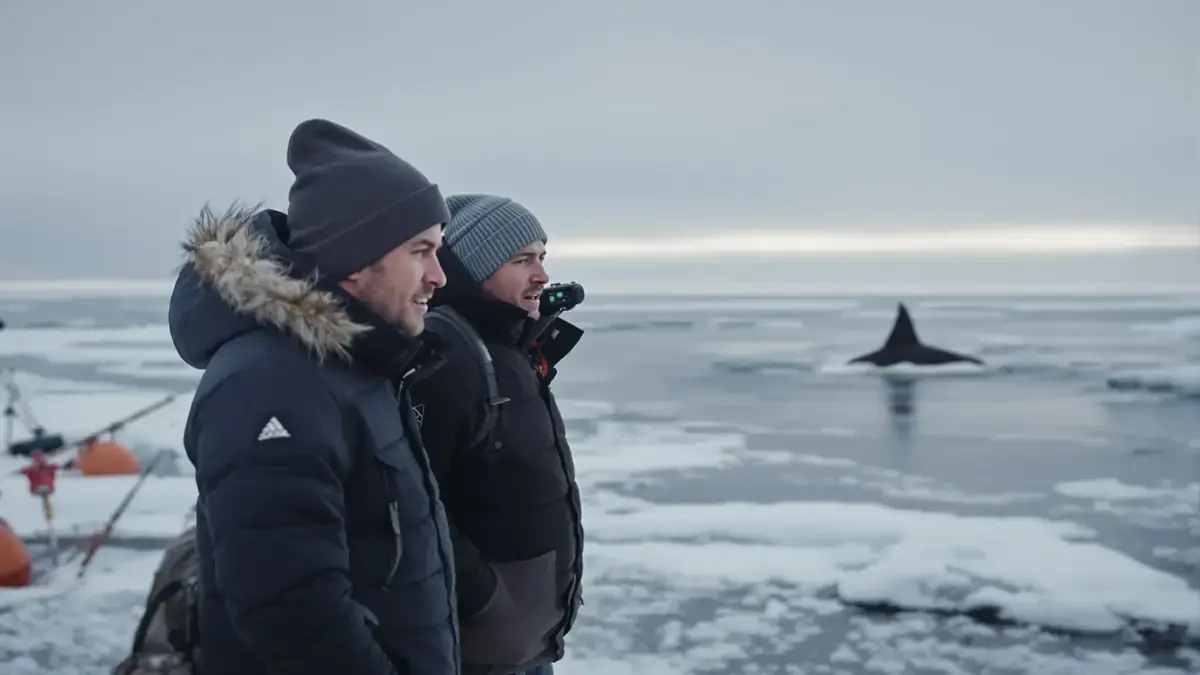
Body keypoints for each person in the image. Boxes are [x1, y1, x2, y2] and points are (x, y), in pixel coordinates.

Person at [167, 118, 460, 675]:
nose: (438, 276)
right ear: (355, 260)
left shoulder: (352, 367)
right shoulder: (270, 384)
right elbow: (290, 611)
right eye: (420, 251)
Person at [409, 194, 585, 675]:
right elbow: (415, 499)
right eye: (522, 260)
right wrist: (486, 597)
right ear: (474, 268)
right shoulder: (447, 356)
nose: (542, 276)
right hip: (479, 648)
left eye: (542, 257)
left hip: (524, 642)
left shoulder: (508, 347)